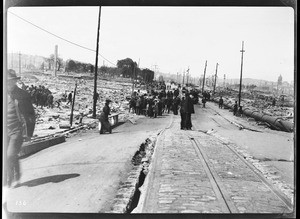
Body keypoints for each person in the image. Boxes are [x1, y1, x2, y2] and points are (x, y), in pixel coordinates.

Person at [6, 69, 36, 188]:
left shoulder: (23, 95)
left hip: (17, 130)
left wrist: (29, 133)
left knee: (10, 155)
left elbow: (30, 115)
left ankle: (13, 178)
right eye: (7, 81)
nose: (9, 84)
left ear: (15, 81)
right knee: (8, 156)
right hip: (5, 130)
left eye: (11, 81)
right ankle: (14, 177)